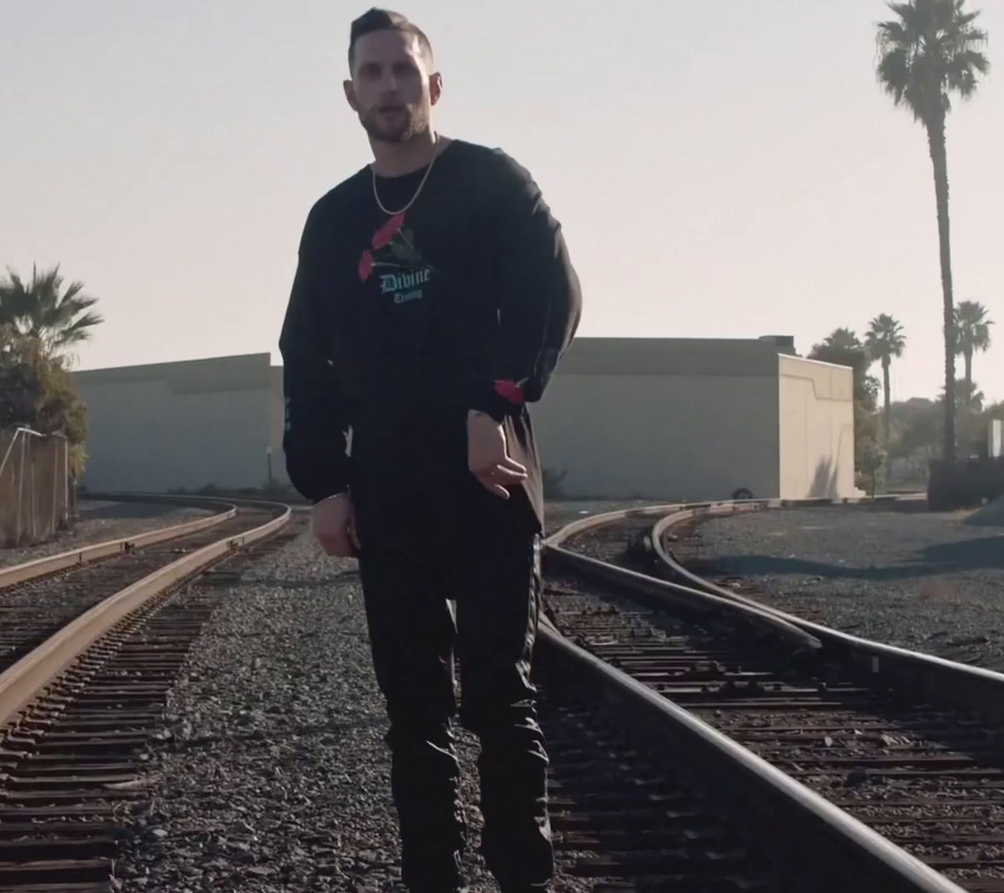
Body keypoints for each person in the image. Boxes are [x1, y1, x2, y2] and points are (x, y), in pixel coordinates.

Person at [277, 9, 582, 892]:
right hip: (390, 493)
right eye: (371, 74)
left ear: (433, 85)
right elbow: (306, 353)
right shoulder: (333, 221)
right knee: (415, 717)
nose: (389, 87)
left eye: (404, 71)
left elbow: (552, 296)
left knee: (500, 698)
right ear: (349, 94)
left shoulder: (491, 183)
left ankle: (525, 878)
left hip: (491, 480)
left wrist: (497, 399)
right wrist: (324, 482)